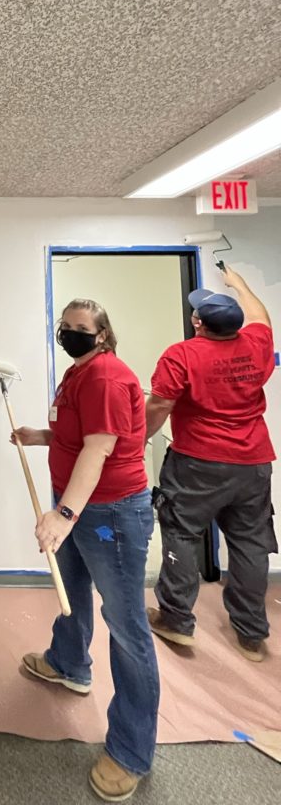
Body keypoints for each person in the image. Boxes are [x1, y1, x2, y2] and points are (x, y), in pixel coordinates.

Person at [13, 299, 159, 803]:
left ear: (101, 335)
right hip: (78, 504)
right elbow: (82, 434)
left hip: (109, 515)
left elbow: (100, 449)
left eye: (81, 329)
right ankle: (69, 662)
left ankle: (130, 751)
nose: (70, 333)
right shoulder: (79, 372)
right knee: (71, 586)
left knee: (127, 627)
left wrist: (64, 515)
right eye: (65, 327)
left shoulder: (105, 376)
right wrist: (42, 436)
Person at [145, 265, 277, 663]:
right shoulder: (255, 345)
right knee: (251, 543)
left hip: (198, 463)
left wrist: (139, 441)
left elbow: (160, 405)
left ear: (197, 323)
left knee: (182, 532)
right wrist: (240, 285)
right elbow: (261, 317)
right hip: (253, 462)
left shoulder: (182, 354)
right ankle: (251, 634)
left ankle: (176, 620)